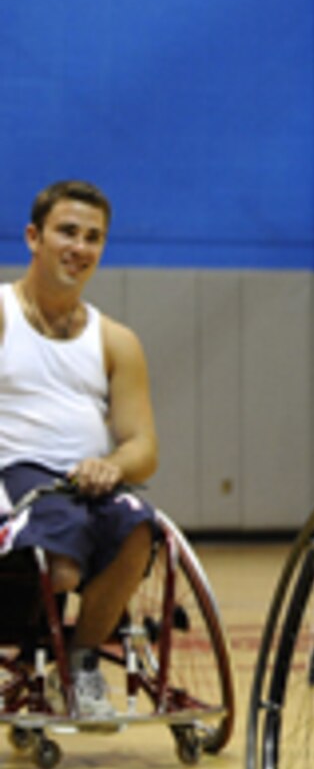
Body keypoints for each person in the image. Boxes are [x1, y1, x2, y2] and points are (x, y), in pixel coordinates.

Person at [0, 182, 160, 726]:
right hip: (16, 478)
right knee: (61, 568)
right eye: (67, 231)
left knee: (140, 525)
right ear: (34, 237)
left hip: (89, 481)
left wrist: (112, 465)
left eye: (93, 237)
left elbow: (143, 445)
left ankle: (81, 661)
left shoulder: (116, 340)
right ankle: (39, 647)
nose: (80, 247)